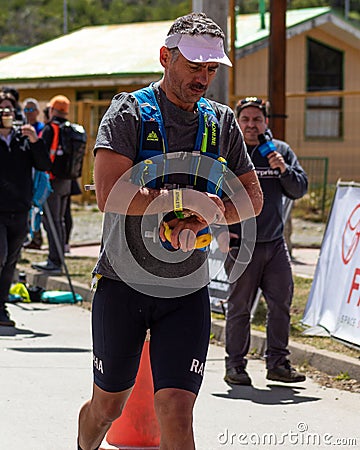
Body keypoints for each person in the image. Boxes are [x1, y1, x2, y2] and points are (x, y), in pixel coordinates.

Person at [77, 13, 263, 450]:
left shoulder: (221, 122)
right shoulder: (129, 111)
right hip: (123, 284)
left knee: (177, 412)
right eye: (194, 66)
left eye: (212, 68)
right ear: (165, 57)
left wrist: (209, 216)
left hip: (186, 288)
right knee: (108, 407)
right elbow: (109, 193)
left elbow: (252, 198)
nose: (204, 77)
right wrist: (186, 202)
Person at [221, 97, 308, 386]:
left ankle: (278, 364)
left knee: (281, 303)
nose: (250, 125)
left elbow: (298, 189)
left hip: (274, 244)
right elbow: (214, 193)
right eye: (245, 119)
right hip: (241, 244)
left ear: (266, 123)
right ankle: (235, 366)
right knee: (239, 307)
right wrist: (224, 231)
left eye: (257, 119)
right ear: (238, 122)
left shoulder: (279, 151)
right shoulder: (230, 153)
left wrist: (282, 168)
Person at [0, 92, 51, 326]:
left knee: (10, 260)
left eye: (9, 110)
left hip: (19, 208)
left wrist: (35, 141)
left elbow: (44, 166)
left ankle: (1, 308)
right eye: (1, 110)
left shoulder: (23, 139)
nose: (5, 114)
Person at [32, 95, 72, 274]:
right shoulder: (71, 129)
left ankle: (54, 261)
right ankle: (58, 258)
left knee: (51, 221)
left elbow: (42, 156)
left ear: (53, 110)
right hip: (67, 181)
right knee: (60, 221)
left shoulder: (51, 129)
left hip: (52, 181)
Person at [22, 98, 45, 250]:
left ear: (37, 112)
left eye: (31, 110)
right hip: (24, 174)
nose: (29, 113)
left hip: (39, 174)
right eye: (26, 110)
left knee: (38, 207)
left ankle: (37, 238)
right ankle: (28, 237)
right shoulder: (20, 129)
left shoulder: (41, 128)